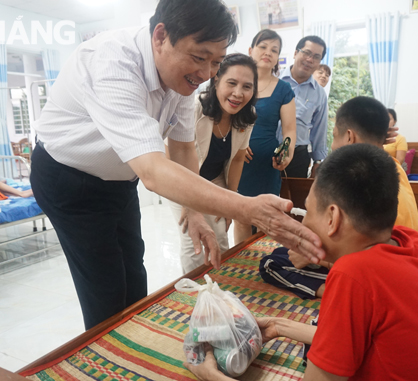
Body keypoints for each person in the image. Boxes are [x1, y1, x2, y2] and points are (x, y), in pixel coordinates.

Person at [30, 0, 323, 330]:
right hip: (68, 179)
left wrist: (193, 211)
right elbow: (154, 171)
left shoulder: (181, 78)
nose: (206, 73)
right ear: (160, 36)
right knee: (105, 283)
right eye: (199, 58)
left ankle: (132, 340)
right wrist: (248, 210)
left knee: (133, 271)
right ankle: (108, 365)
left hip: (118, 180)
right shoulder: (111, 63)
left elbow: (183, 149)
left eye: (216, 62)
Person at [185, 143, 418, 381]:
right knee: (321, 346)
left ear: (333, 218)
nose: (304, 221)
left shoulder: (353, 275)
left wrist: (214, 378)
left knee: (319, 369)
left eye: (308, 210)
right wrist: (281, 326)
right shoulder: (413, 242)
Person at [260, 97, 418, 298]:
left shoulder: (359, 181)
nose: (333, 146)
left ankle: (340, 292)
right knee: (288, 254)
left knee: (271, 263)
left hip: (382, 276)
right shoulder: (391, 168)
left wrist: (315, 259)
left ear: (350, 137)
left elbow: (363, 255)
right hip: (404, 260)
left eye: (334, 137)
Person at [171, 53, 258, 273]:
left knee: (219, 236)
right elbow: (172, 155)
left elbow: (238, 158)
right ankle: (193, 293)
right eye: (232, 83)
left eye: (247, 86)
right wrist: (190, 206)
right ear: (216, 79)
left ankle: (220, 290)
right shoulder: (194, 109)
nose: (238, 93)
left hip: (216, 179)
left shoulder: (247, 116)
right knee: (195, 241)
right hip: (181, 179)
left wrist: (231, 200)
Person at [234, 29, 297, 244]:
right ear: (251, 50)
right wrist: (237, 147)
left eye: (274, 50)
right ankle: (240, 265)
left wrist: (286, 153)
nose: (267, 52)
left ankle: (266, 265)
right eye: (263, 47)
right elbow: (223, 120)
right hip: (238, 164)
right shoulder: (237, 82)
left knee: (270, 218)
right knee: (241, 218)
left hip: (268, 165)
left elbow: (289, 130)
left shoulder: (284, 89)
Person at [278, 36, 329, 179]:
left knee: (292, 199)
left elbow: (320, 130)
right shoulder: (273, 80)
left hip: (297, 158)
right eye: (306, 53)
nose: (310, 59)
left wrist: (318, 162)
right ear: (295, 53)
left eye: (316, 57)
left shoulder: (319, 94)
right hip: (264, 151)